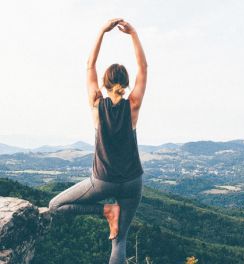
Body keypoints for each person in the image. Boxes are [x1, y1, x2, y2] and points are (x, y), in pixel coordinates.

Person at [48, 18, 147, 264]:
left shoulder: (96, 104)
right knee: (120, 241)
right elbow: (143, 67)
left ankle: (106, 211)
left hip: (102, 181)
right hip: (133, 182)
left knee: (54, 206)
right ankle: (111, 213)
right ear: (125, 84)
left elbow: (89, 64)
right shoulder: (132, 105)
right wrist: (133, 33)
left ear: (104, 83)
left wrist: (102, 32)